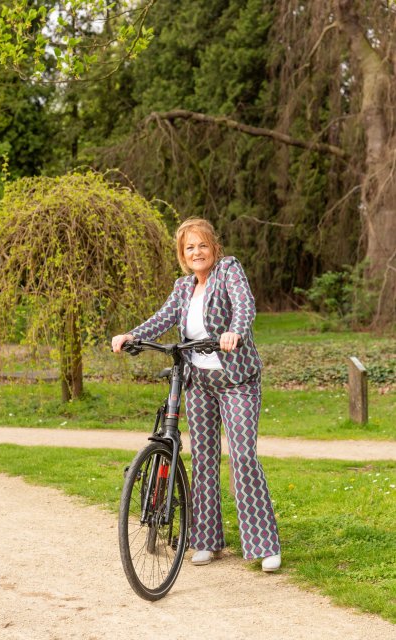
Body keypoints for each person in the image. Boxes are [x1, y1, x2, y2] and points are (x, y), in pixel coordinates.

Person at [112, 218, 281, 571]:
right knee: (203, 459)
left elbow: (244, 306)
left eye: (202, 245)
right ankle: (206, 540)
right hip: (199, 382)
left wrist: (234, 331)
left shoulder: (229, 270)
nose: (197, 252)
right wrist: (132, 335)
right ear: (182, 254)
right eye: (190, 247)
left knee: (243, 457)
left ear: (213, 247)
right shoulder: (183, 287)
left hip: (236, 378)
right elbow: (163, 318)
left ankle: (264, 544)